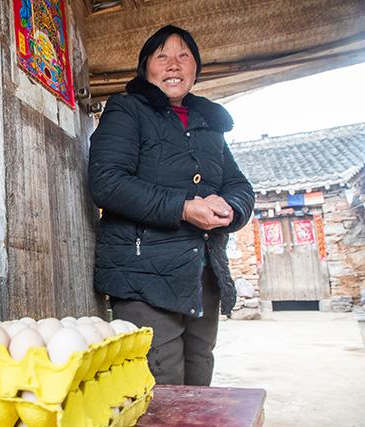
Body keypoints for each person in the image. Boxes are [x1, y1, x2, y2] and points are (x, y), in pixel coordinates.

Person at [88, 25, 255, 386]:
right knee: (159, 384)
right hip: (144, 276)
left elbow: (240, 185)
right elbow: (107, 183)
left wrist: (231, 208)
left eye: (184, 56)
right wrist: (183, 207)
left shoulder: (208, 125)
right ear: (145, 67)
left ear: (196, 68)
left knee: (199, 375)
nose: (173, 65)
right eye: (161, 56)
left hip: (201, 273)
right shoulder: (127, 110)